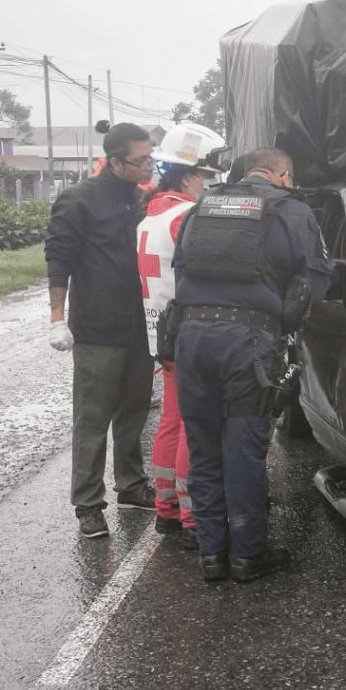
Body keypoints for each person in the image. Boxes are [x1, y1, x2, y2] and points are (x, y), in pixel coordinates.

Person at [173, 148, 331, 582]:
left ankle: (211, 555)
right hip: (246, 342)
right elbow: (314, 284)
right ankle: (247, 556)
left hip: (190, 337)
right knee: (242, 449)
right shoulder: (292, 211)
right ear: (283, 174)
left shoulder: (200, 207)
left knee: (204, 448)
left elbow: (180, 270)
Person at [45, 122, 157, 539]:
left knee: (134, 412)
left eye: (151, 157)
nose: (149, 166)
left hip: (139, 327)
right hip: (98, 330)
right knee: (92, 420)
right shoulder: (78, 201)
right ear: (114, 162)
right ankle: (88, 504)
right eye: (141, 160)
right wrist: (57, 317)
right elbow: (58, 259)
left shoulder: (140, 198)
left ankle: (131, 485)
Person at [137, 122, 228, 550]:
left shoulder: (151, 214)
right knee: (196, 426)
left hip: (161, 334)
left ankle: (167, 508)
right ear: (191, 174)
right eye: (208, 177)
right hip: (188, 333)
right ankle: (194, 516)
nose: (210, 186)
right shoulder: (186, 216)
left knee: (171, 421)